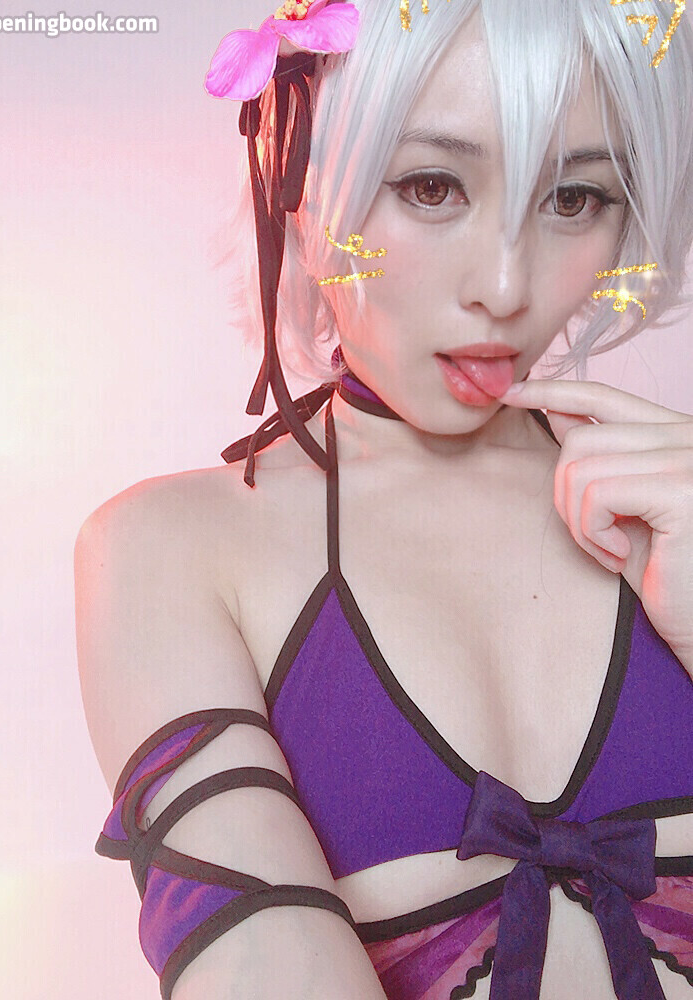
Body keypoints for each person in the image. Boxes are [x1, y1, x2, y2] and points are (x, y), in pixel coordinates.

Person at [74, 1, 693, 997]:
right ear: (295, 175)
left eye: (575, 197)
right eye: (431, 185)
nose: (505, 286)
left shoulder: (680, 510)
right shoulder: (169, 549)